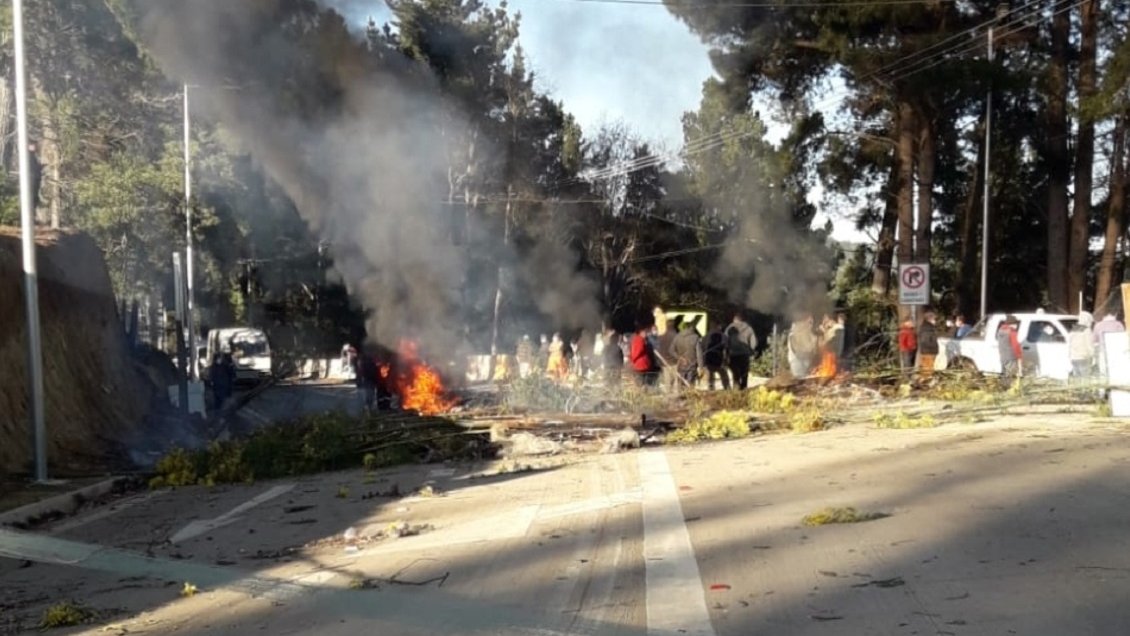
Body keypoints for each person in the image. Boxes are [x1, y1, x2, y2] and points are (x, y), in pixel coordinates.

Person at [725, 313, 758, 389]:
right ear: (742, 319)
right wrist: (751, 351)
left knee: (735, 374)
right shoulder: (749, 328)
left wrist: (726, 353)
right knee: (744, 374)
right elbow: (754, 342)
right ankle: (744, 389)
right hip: (744, 354)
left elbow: (725, 341)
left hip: (733, 354)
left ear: (734, 319)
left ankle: (736, 388)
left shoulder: (730, 327)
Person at [671, 320, 703, 389]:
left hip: (681, 365)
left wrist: (679, 357)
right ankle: (689, 398)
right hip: (692, 365)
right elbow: (699, 354)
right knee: (690, 385)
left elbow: (671, 350)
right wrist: (701, 367)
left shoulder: (677, 337)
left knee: (681, 385)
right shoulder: (695, 337)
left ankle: (681, 398)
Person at [787, 314, 817, 379]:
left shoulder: (811, 335)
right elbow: (796, 349)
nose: (810, 325)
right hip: (797, 361)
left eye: (811, 323)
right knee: (798, 381)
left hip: (807, 362)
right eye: (809, 322)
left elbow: (813, 350)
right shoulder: (793, 334)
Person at [700, 326, 730, 390]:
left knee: (710, 373)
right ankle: (726, 387)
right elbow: (726, 349)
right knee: (723, 374)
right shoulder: (723, 336)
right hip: (718, 359)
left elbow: (702, 348)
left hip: (708, 359)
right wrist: (726, 359)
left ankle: (711, 387)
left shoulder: (705, 337)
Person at [1069, 312, 1095, 382]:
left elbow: (1069, 344)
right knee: (1086, 378)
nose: (1090, 323)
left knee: (1077, 378)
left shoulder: (1073, 329)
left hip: (1074, 357)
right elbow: (1089, 345)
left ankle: (1078, 392)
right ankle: (1085, 392)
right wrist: (1093, 355)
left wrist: (1069, 356)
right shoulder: (1086, 330)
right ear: (1087, 320)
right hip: (1084, 358)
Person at [997, 314, 1023, 381]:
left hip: (1003, 356)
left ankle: (1004, 388)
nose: (1016, 325)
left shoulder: (1000, 330)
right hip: (1011, 357)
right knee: (1010, 376)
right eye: (1015, 323)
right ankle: (1008, 389)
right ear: (1012, 323)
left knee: (1005, 374)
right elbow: (1016, 345)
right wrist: (1019, 356)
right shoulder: (1012, 332)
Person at [917, 310, 940, 377]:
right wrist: (933, 349)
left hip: (928, 351)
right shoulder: (927, 328)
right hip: (928, 352)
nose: (935, 320)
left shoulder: (928, 327)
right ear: (929, 318)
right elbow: (926, 341)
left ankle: (924, 382)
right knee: (927, 370)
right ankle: (924, 384)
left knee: (927, 369)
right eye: (934, 319)